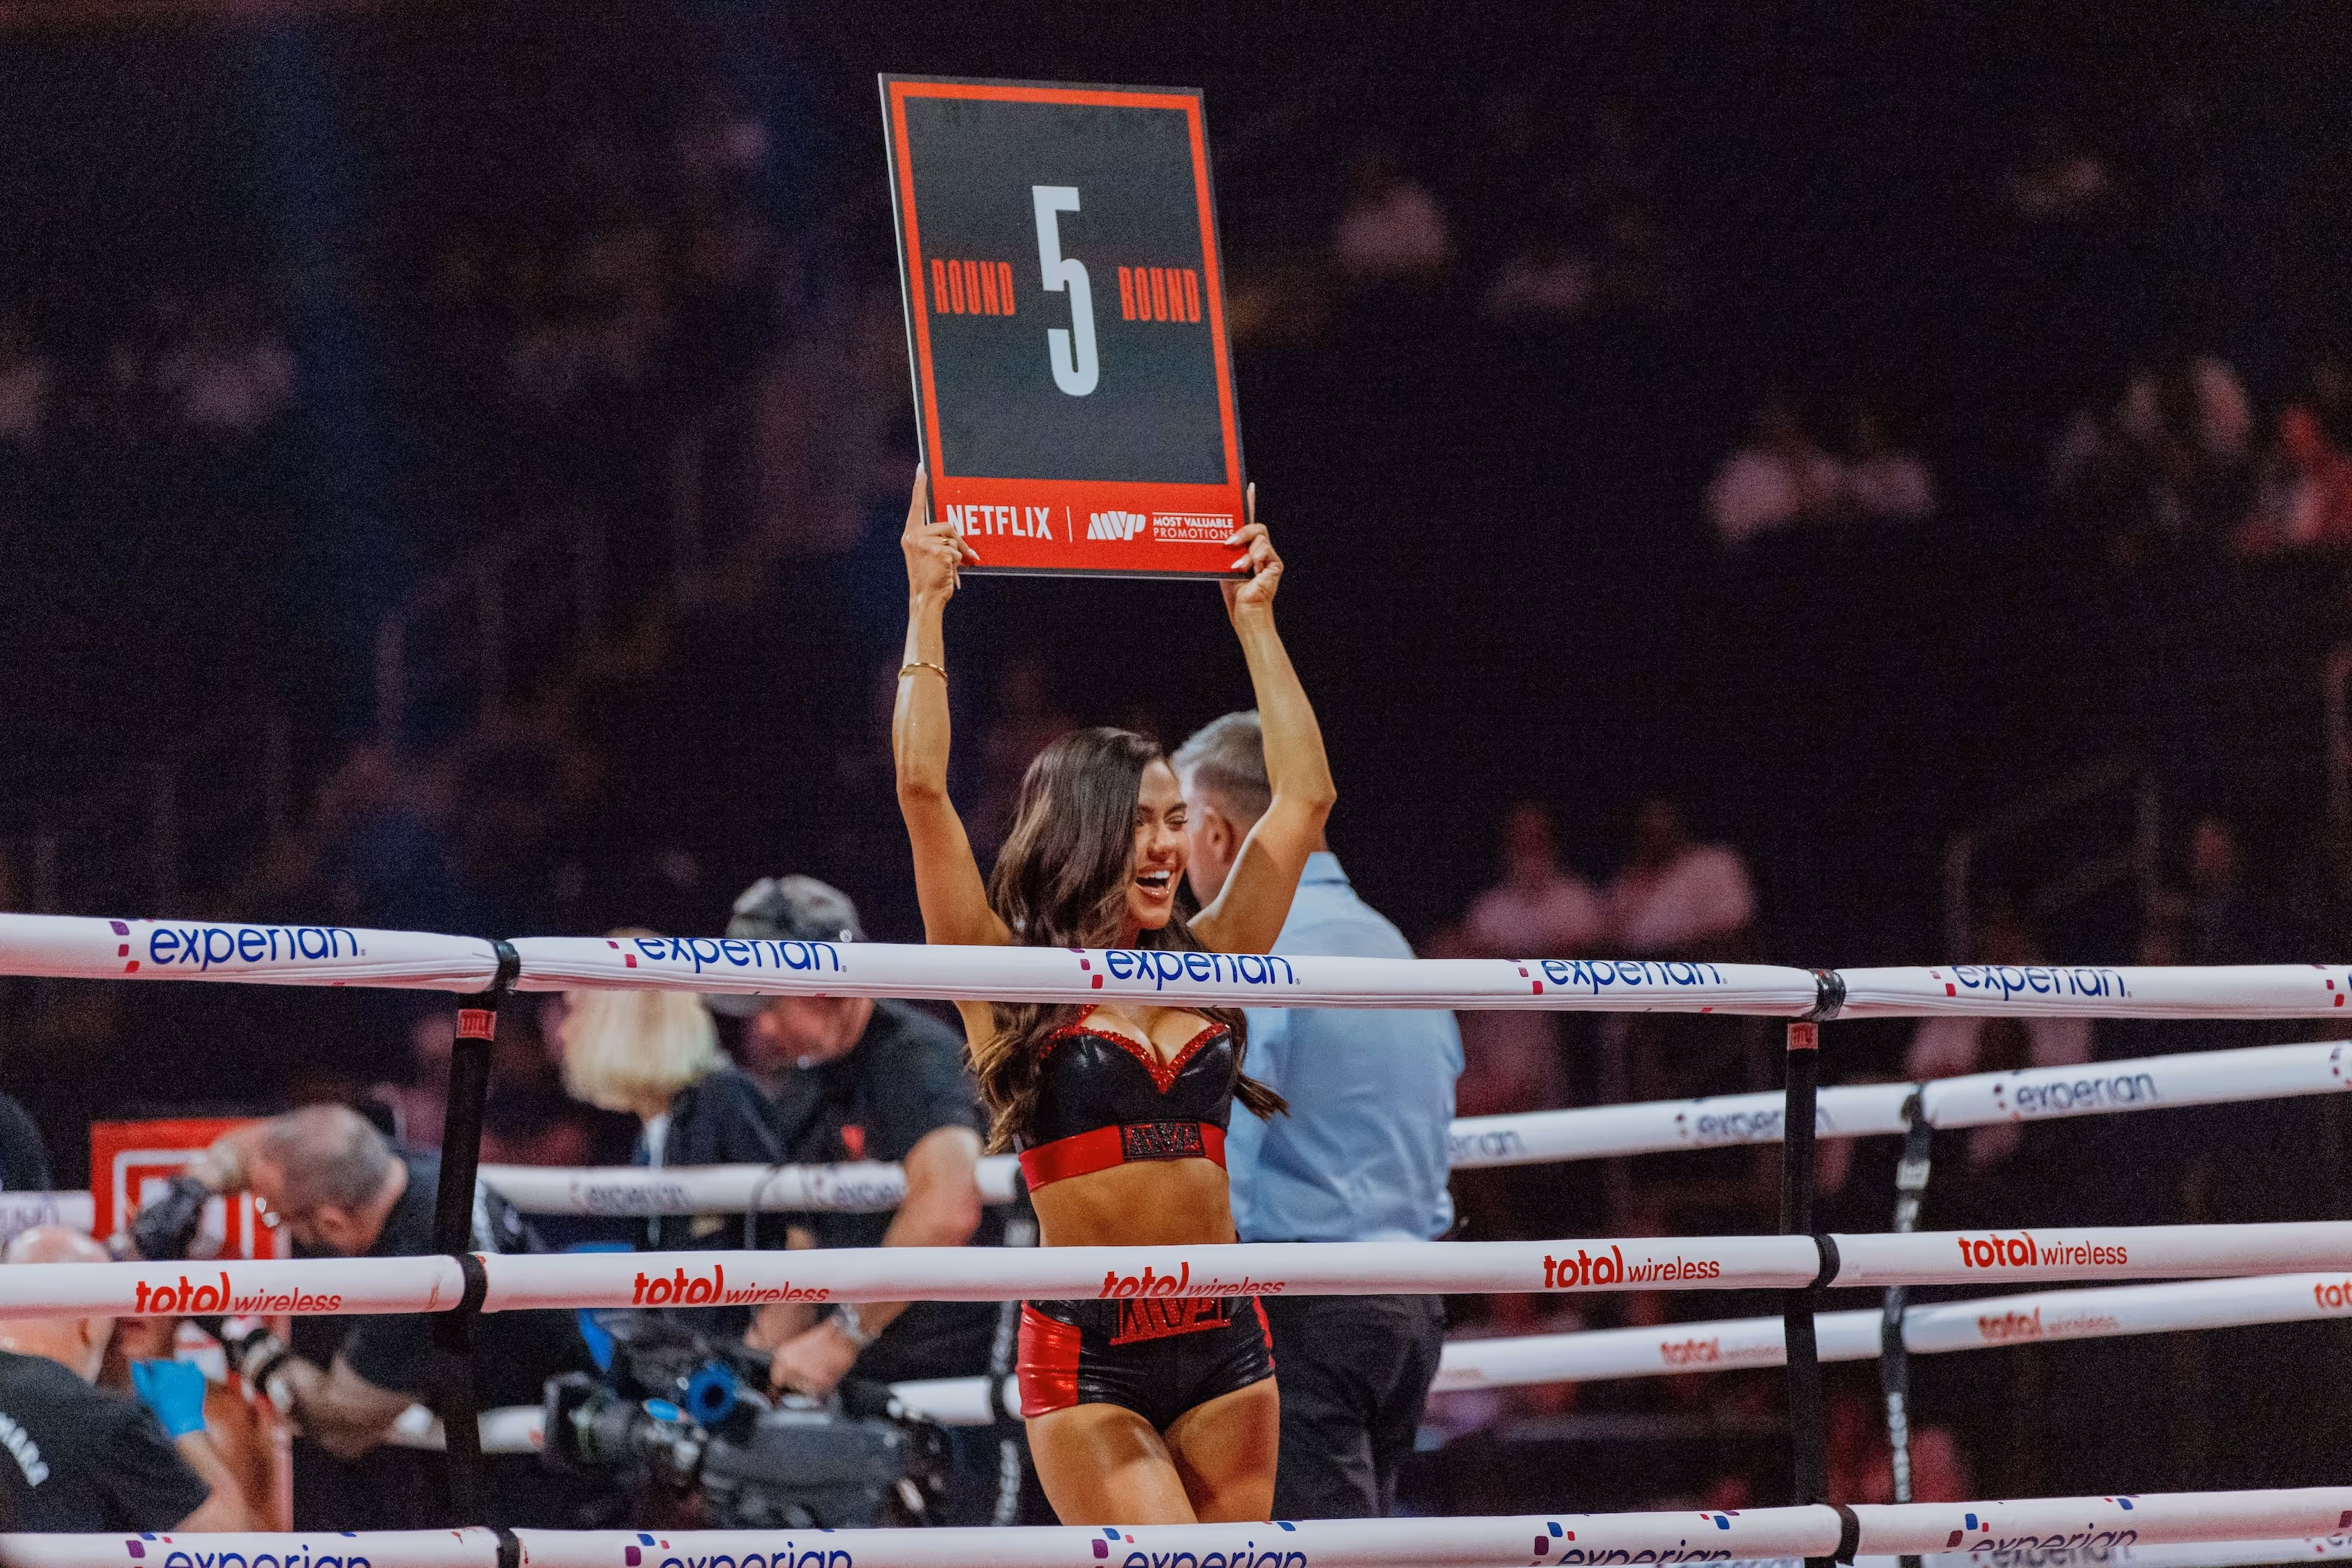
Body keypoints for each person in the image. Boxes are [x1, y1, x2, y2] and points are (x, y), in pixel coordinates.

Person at [894, 466, 1335, 1525]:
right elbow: (922, 792)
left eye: (1177, 818)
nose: (1169, 843)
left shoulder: (1214, 952)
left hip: (1227, 1337)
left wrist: (1257, 623)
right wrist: (924, 601)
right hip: (1090, 1351)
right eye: (1144, 819)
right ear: (1087, 829)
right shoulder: (1009, 982)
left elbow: (1304, 797)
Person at [1172, 710, 1458, 1520]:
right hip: (1410, 1301)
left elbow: (1228, 1149)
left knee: (1309, 1549)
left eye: (1182, 825)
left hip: (1303, 1299)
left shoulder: (1260, 956)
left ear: (1221, 832)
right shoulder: (1388, 943)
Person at [134, 1104, 598, 1527]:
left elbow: (340, 1424)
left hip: (540, 1476)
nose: (271, 1222)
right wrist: (194, 1187)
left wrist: (230, 1320)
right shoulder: (380, 1165)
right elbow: (256, 1145)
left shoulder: (423, 1274)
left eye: (273, 1216)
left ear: (332, 1222)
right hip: (509, 1430)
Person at [700, 875, 997, 1398]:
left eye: (769, 1002)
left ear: (827, 985)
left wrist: (841, 1337)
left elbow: (949, 1205)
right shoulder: (805, 1080)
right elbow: (802, 1251)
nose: (761, 1028)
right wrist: (748, 1376)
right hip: (866, 1374)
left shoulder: (915, 1059)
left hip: (957, 1376)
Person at [0, 1226, 256, 1532]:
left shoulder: (222, 1411)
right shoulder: (100, 1420)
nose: (131, 1320)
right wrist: (185, 1427)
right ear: (89, 1323)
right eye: (117, 1315)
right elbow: (227, 1544)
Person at [557, 943, 777, 1250]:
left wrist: (783, 1298)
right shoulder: (654, 1126)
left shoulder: (722, 1097)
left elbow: (789, 1223)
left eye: (575, 1011)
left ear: (623, 1024)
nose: (562, 1031)